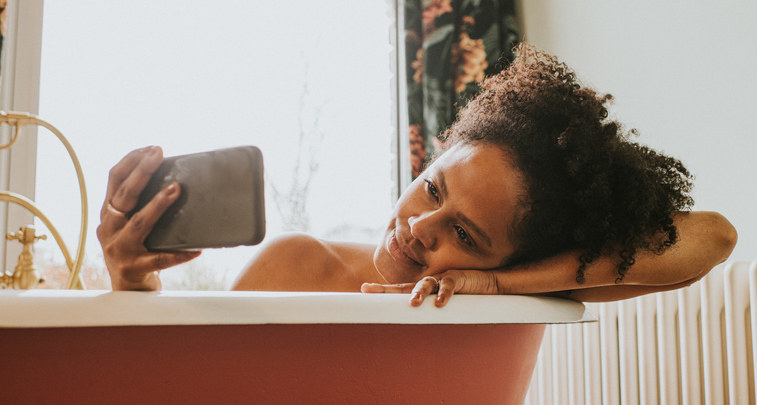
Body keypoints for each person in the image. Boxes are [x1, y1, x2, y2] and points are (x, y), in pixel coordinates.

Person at [98, 43, 737, 306]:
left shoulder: (504, 289)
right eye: (433, 188)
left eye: (467, 233)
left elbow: (713, 237)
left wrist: (498, 283)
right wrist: (132, 287)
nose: (421, 226)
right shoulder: (299, 266)